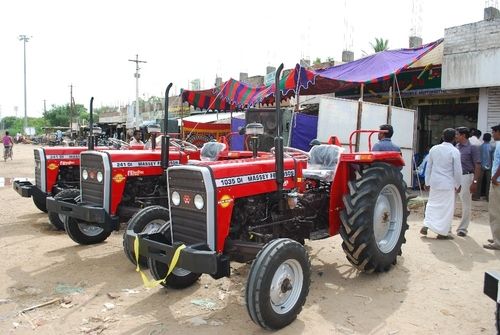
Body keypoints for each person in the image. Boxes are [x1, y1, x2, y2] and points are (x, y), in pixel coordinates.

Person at [420, 128, 462, 239]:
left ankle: (426, 224)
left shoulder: (434, 149)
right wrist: (458, 184)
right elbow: (457, 171)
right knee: (446, 209)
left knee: (432, 204)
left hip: (435, 182)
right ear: (454, 138)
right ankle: (442, 233)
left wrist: (427, 182)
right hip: (448, 184)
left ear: (442, 137)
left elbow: (429, 167)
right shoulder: (454, 151)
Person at [455, 127, 481, 237]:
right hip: (456, 177)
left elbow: (478, 165)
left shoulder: (472, 148)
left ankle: (462, 228)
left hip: (466, 177)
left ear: (463, 135)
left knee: (465, 203)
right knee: (451, 201)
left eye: (457, 134)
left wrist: (475, 182)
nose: (455, 136)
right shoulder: (456, 147)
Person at [484, 124, 500, 250]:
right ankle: (496, 236)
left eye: (494, 132)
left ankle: (497, 241)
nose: (493, 135)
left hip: (497, 182)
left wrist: (494, 177)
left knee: (495, 212)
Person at [474, 133, 495, 201]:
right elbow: (493, 158)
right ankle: (488, 197)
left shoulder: (480, 146)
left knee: (479, 181)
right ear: (490, 138)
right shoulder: (492, 147)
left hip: (480, 166)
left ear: (483, 138)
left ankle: (477, 196)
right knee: (488, 182)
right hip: (489, 166)